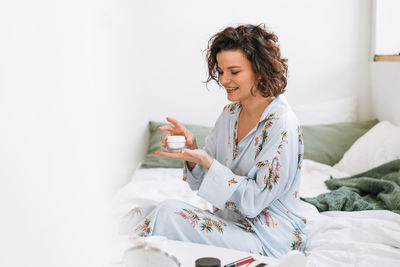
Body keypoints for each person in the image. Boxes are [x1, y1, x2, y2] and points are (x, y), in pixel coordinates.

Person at [123, 24, 306, 258]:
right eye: (220, 71)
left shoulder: (282, 123)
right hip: (230, 225)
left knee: (169, 213)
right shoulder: (230, 115)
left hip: (269, 240)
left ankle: (118, 253)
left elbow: (254, 200)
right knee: (142, 212)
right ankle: (104, 244)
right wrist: (192, 152)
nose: (224, 80)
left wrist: (208, 163)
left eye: (234, 71)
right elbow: (200, 181)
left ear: (259, 70)